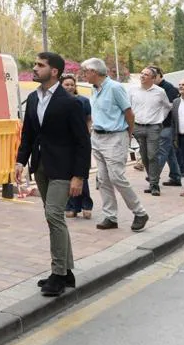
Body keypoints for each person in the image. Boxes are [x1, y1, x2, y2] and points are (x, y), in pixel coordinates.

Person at [16, 52, 90, 297]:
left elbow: (82, 142)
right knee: (54, 218)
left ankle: (57, 274)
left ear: (54, 71)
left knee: (54, 214)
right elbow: (28, 134)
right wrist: (20, 161)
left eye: (40, 65)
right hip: (41, 167)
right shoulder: (33, 99)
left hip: (63, 168)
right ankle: (67, 272)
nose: (34, 68)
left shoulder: (69, 103)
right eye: (35, 64)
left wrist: (79, 176)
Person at [81, 58, 148, 232]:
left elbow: (129, 113)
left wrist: (127, 134)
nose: (83, 75)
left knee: (117, 177)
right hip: (98, 137)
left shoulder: (115, 88)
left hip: (115, 137)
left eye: (85, 71)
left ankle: (139, 212)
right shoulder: (94, 90)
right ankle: (110, 216)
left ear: (94, 72)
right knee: (103, 180)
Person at [131, 67, 172, 195]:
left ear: (153, 78)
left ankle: (154, 184)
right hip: (137, 127)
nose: (142, 76)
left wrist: (161, 118)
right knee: (144, 156)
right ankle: (152, 181)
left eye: (146, 74)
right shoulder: (132, 90)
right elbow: (128, 107)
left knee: (152, 155)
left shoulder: (160, 91)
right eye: (142, 73)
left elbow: (167, 106)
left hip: (153, 127)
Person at [60, 75, 94, 219]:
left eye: (71, 85)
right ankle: (71, 206)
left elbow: (88, 120)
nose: (69, 87)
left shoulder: (83, 101)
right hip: (64, 144)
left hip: (80, 143)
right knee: (66, 175)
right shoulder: (58, 101)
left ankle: (86, 204)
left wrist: (86, 136)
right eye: (66, 85)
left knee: (81, 175)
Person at [149, 65, 183, 188]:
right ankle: (175, 176)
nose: (151, 78)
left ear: (160, 75)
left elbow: (169, 108)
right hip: (158, 124)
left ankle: (153, 176)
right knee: (169, 152)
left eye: (154, 76)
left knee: (161, 151)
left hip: (166, 124)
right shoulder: (153, 88)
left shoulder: (169, 89)